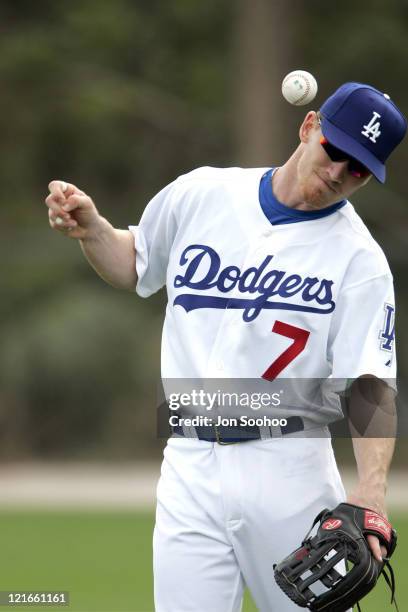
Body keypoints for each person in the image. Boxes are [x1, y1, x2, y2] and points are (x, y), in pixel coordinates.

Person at [45, 82, 406, 611]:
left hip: (289, 469)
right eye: (336, 152)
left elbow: (370, 383)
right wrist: (94, 229)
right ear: (309, 128)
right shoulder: (203, 193)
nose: (337, 174)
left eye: (357, 170)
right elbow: (136, 263)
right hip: (189, 463)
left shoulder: (360, 261)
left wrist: (371, 490)